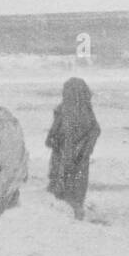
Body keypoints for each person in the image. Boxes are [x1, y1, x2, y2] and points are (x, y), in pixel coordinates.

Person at [45, 77, 100, 220]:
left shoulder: (66, 111)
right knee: (77, 189)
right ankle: (76, 213)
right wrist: (85, 148)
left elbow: (55, 137)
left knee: (64, 188)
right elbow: (95, 130)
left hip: (65, 158)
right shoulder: (86, 111)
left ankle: (70, 217)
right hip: (80, 159)